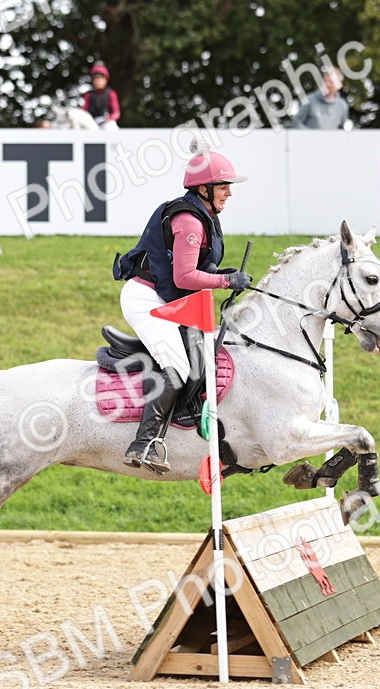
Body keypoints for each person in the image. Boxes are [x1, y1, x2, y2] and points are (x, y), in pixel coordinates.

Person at [112, 143, 253, 472]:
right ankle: (143, 443)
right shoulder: (190, 220)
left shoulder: (203, 215)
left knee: (200, 363)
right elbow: (186, 276)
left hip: (169, 299)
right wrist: (226, 283)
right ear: (203, 189)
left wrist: (223, 274)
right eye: (224, 186)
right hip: (147, 300)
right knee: (176, 367)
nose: (229, 193)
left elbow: (193, 269)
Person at [82, 63, 120, 130]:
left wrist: (109, 119)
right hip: (92, 122)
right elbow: (83, 112)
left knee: (112, 127)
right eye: (96, 80)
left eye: (101, 79)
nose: (98, 82)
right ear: (93, 81)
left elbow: (116, 112)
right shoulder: (88, 95)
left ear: (105, 81)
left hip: (107, 121)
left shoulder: (111, 93)